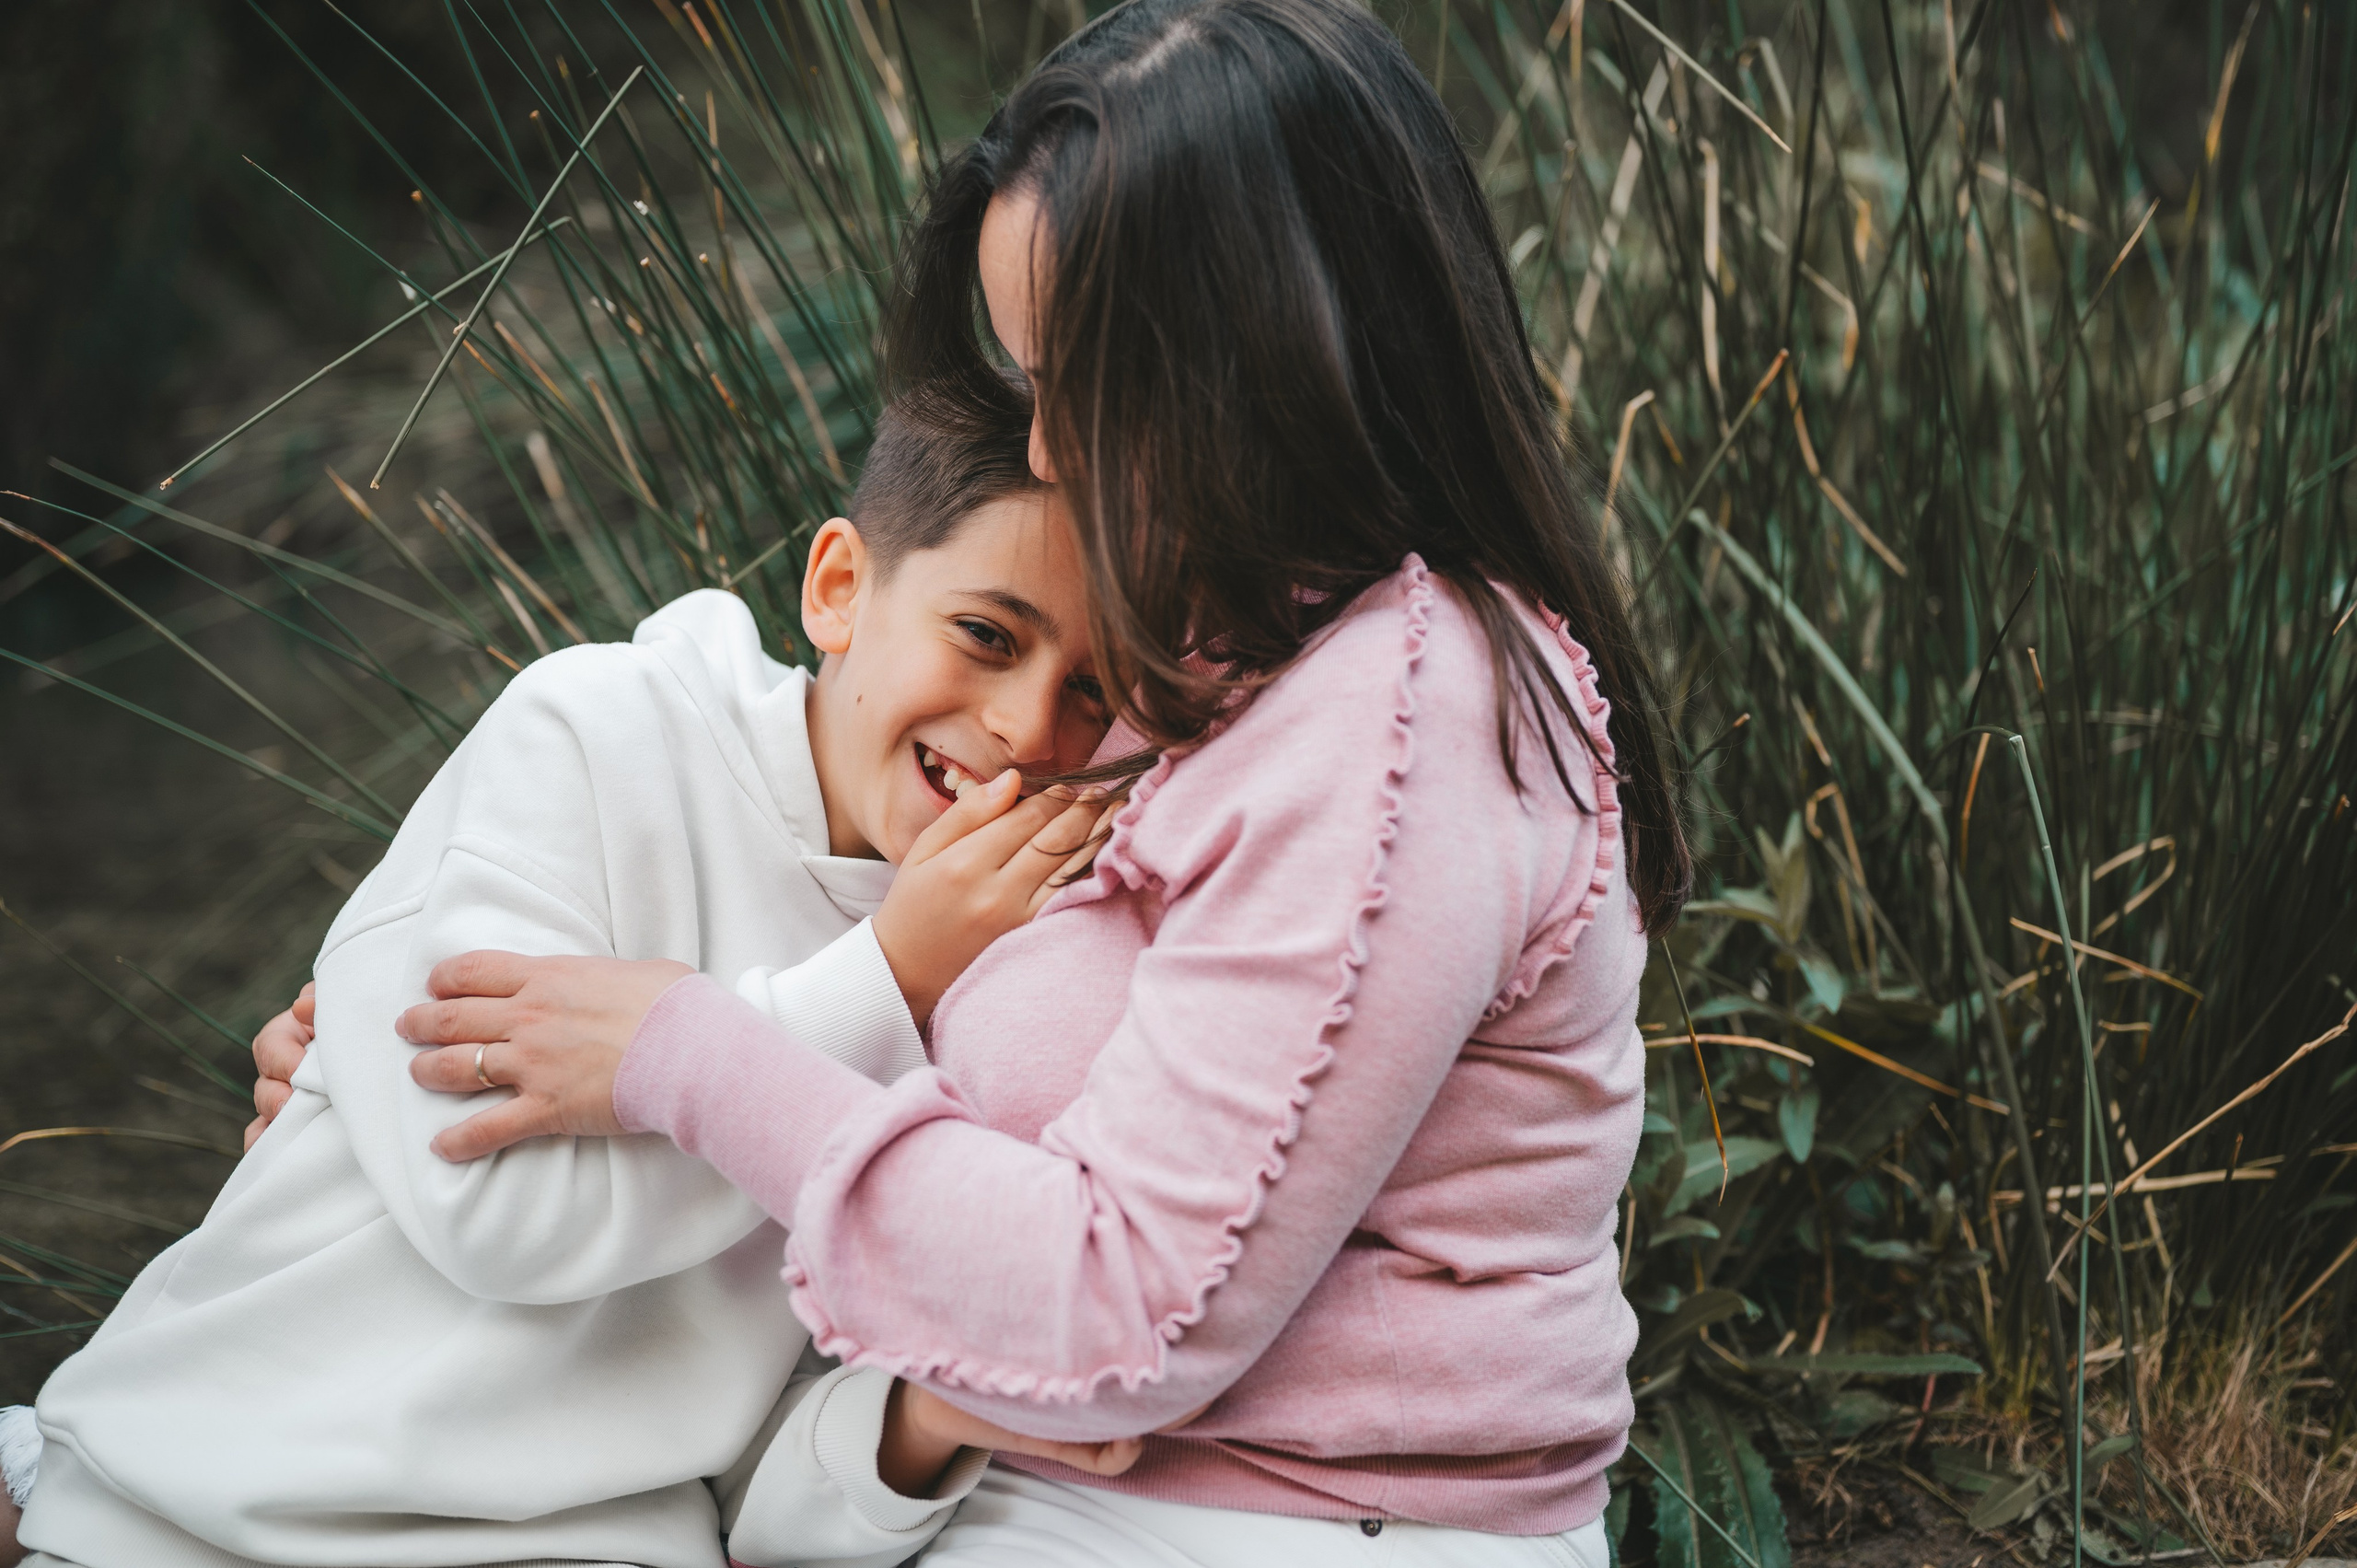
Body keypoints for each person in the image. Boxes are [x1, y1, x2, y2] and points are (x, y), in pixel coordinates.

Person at [378, 0, 1693, 1562]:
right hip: (1043, 1484)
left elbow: (1122, 1305)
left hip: (1275, 1519)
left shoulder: (1404, 715)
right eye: (1028, 375)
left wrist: (681, 1051)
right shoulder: (1220, 657)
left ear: (1268, 350)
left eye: (1085, 382)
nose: (1050, 454)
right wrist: (374, 1054)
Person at [0, 395, 1136, 1568]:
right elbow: (494, 1211)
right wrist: (885, 979)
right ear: (838, 587)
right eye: (989, 636)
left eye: (1095, 691)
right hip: (219, 1514)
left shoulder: (1028, 978)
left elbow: (768, 1505)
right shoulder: (602, 733)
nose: (1028, 725)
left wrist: (926, 1418)